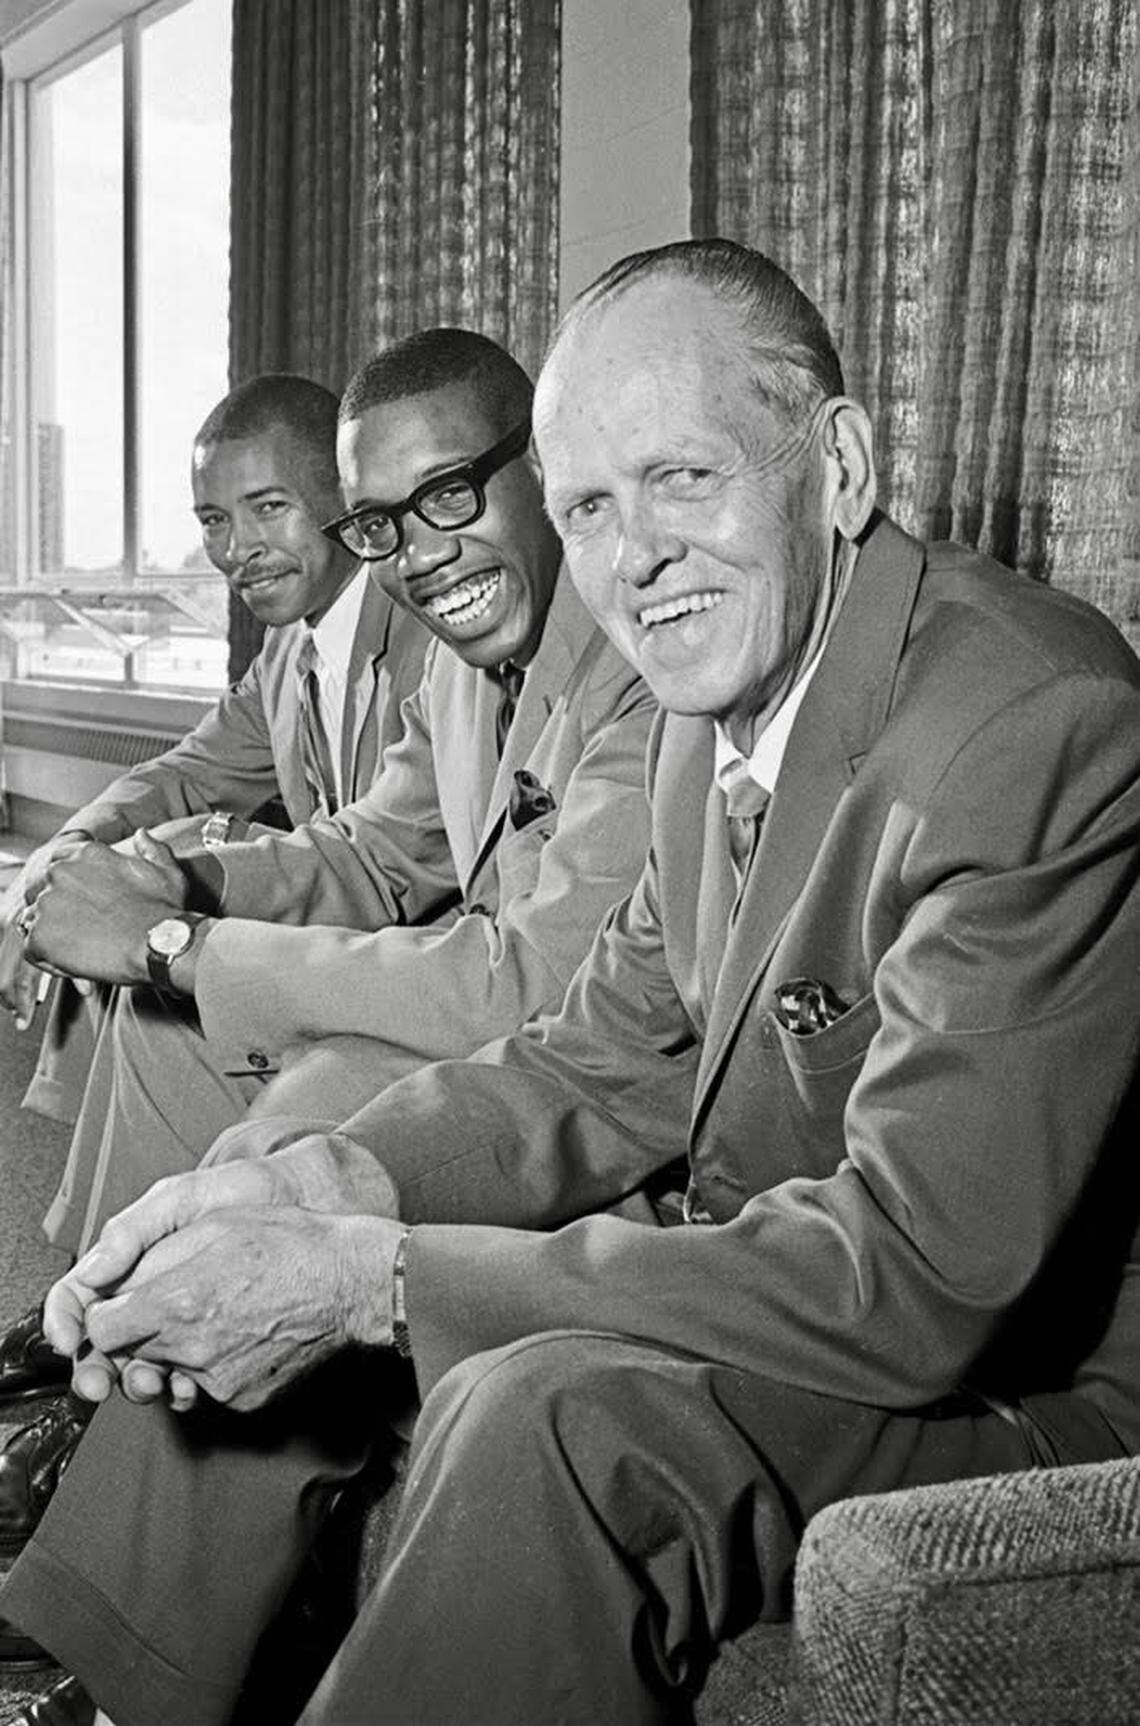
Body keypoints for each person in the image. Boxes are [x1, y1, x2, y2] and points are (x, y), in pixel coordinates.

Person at [5, 239, 1139, 1726]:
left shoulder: (1029, 723)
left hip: (1015, 1378)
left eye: (685, 478)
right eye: (594, 506)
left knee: (542, 1412)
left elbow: (922, 1280)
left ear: (840, 464)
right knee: (308, 1158)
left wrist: (372, 1279)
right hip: (778, 1255)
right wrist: (324, 1182)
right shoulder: (707, 705)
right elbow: (597, 1057)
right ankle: (87, 1677)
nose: (636, 558)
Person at [0, 325, 655, 1505]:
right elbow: (373, 848)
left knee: (298, 1097)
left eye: (448, 495)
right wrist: (170, 889)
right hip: (480, 1010)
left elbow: (528, 982)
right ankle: (108, 1345)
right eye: (383, 524)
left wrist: (174, 941)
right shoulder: (464, 661)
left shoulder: (644, 669)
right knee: (167, 1025)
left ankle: (162, 1416)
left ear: (549, 479)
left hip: (565, 1070)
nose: (417, 555)